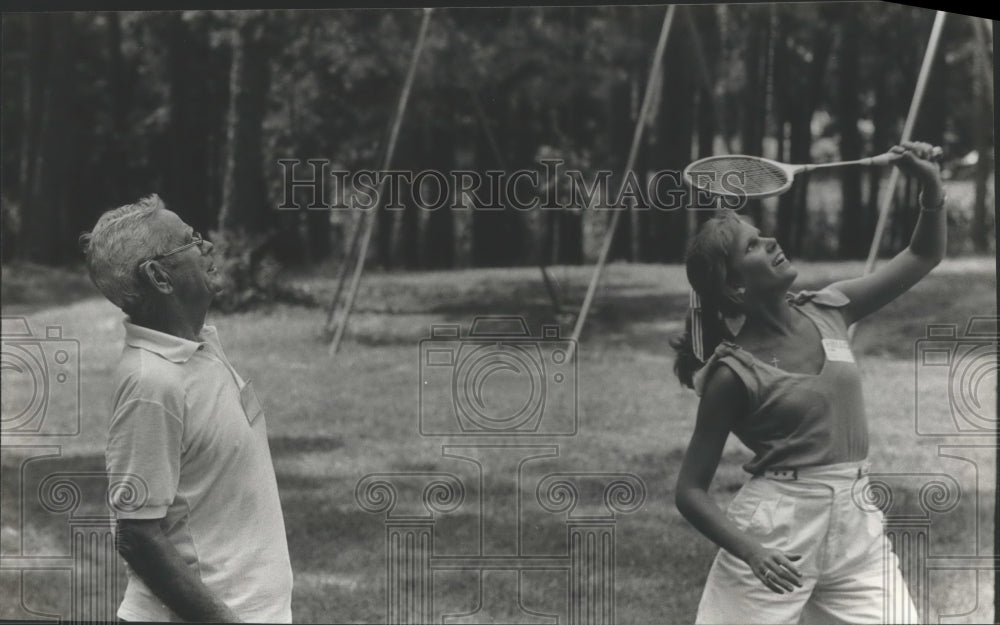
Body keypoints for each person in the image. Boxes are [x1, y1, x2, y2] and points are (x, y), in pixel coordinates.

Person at [671, 141, 946, 624]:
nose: (771, 242)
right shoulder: (733, 374)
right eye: (752, 246)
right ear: (735, 287)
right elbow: (690, 490)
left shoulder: (830, 308)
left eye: (763, 235)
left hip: (856, 522)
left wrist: (929, 185)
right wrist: (751, 552)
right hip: (778, 531)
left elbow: (923, 254)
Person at [80, 194, 293, 623]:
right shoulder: (151, 383)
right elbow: (136, 534)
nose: (207, 246)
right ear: (159, 276)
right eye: (191, 241)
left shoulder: (198, 345)